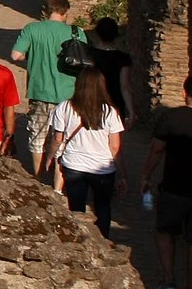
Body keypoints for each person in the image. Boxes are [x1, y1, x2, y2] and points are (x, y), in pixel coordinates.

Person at [43, 67, 125, 237]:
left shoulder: (65, 107)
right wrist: (122, 173)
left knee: (76, 206)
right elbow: (115, 147)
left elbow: (57, 139)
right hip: (103, 168)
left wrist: (49, 158)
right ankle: (103, 240)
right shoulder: (110, 112)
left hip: (74, 165)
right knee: (103, 206)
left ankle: (78, 240)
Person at [11, 0, 81, 169]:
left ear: (46, 11)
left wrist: (33, 55)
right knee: (62, 138)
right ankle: (58, 179)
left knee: (37, 136)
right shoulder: (76, 32)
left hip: (40, 91)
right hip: (68, 94)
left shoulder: (32, 29)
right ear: (65, 11)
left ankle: (38, 174)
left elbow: (16, 55)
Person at [141, 75, 192, 289]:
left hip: (173, 185)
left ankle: (169, 279)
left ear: (184, 92)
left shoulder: (171, 118)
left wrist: (146, 175)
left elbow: (156, 149)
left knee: (166, 231)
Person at [88, 17, 133, 124]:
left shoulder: (88, 54)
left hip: (91, 100)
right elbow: (124, 86)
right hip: (114, 103)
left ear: (97, 33)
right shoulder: (123, 58)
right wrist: (131, 110)